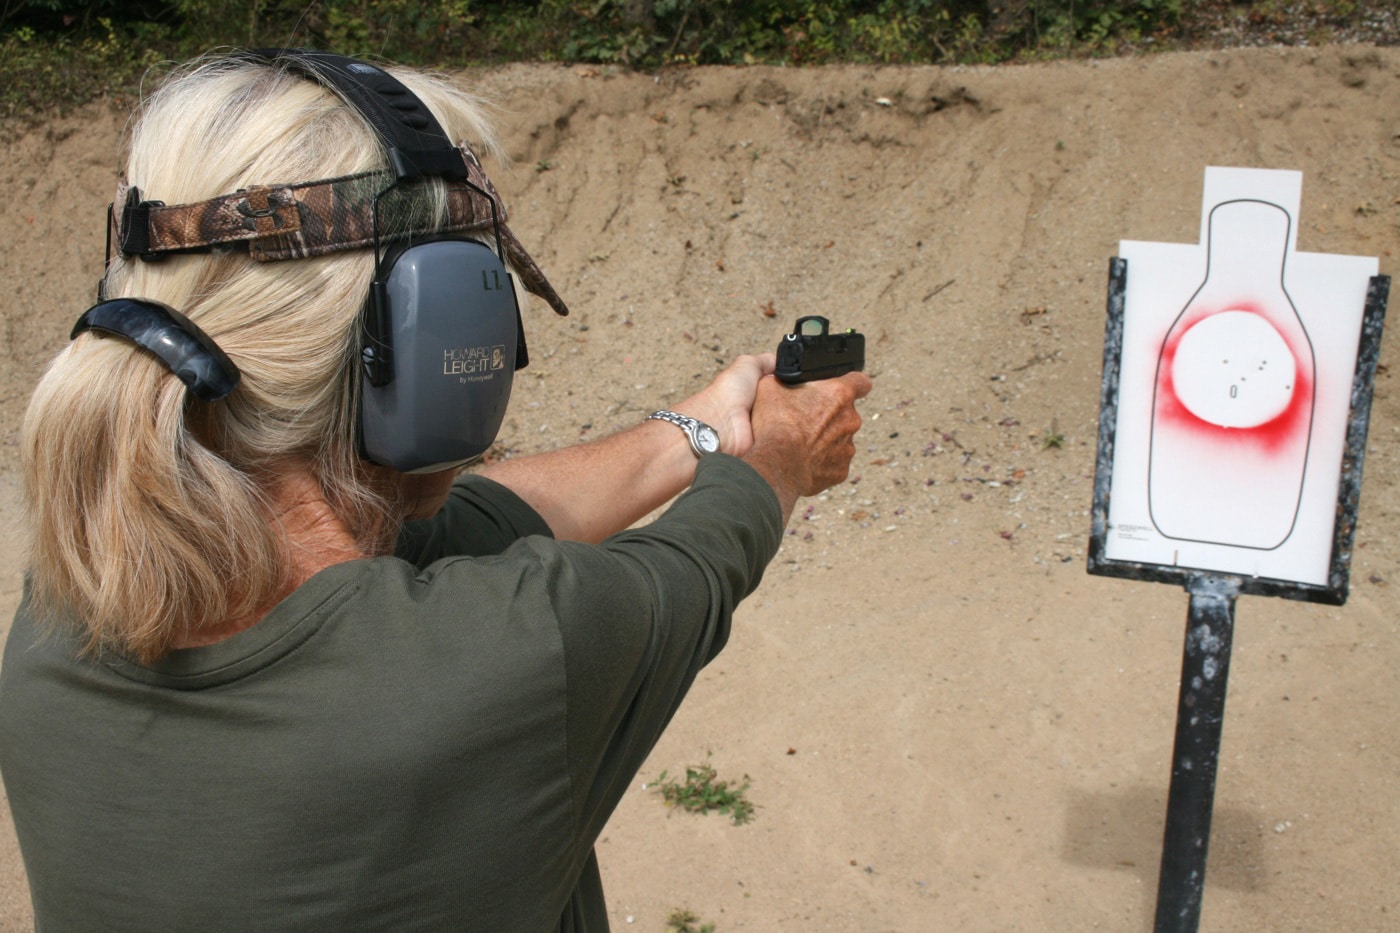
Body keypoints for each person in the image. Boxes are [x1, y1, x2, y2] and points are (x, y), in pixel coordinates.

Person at [0, 49, 870, 931]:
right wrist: (785, 445)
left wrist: (701, 430)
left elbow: (444, 536)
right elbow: (706, 552)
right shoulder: (519, 657)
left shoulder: (53, 622)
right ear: (438, 337)